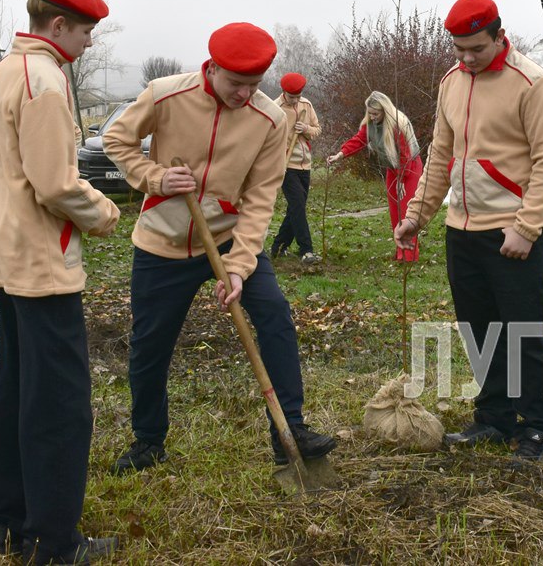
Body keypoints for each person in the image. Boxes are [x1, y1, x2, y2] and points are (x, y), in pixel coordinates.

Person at [103, 24, 336, 475]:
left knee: (275, 318)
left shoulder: (270, 119)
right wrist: (154, 177)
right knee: (151, 344)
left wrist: (239, 265)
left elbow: (263, 196)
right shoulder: (165, 94)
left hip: (230, 235)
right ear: (212, 68)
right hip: (163, 241)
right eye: (236, 84)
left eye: (254, 85)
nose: (245, 94)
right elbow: (118, 139)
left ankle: (290, 430)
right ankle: (149, 440)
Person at [0, 0, 121, 564]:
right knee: (60, 406)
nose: (91, 41)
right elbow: (55, 183)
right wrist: (105, 212)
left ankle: (8, 522)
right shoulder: (43, 79)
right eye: (87, 30)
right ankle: (54, 543)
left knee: (15, 391)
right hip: (42, 261)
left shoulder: (5, 70)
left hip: (8, 254)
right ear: (58, 25)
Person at [393, 0, 543, 461]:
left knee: (525, 330)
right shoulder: (452, 82)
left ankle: (537, 428)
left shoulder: (533, 84)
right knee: (481, 329)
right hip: (461, 230)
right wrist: (416, 215)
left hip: (511, 231)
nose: (467, 59)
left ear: (498, 35)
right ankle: (493, 418)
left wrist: (526, 229)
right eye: (458, 50)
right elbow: (439, 155)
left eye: (476, 49)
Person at [327, 91, 423, 261]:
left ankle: (409, 256)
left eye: (376, 113)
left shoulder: (397, 125)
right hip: (392, 169)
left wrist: (401, 179)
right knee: (395, 212)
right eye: (370, 113)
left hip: (409, 168)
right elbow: (359, 140)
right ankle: (401, 250)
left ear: (385, 111)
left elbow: (404, 155)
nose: (372, 117)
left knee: (406, 212)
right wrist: (340, 154)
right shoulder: (370, 124)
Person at [270, 72, 321, 264]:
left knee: (296, 208)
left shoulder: (306, 105)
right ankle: (306, 250)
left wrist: (306, 129)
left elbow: (317, 129)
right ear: (284, 92)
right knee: (298, 205)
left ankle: (279, 246)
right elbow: (270, 138)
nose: (296, 100)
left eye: (298, 96)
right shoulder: (275, 109)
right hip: (285, 165)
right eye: (292, 97)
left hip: (305, 164)